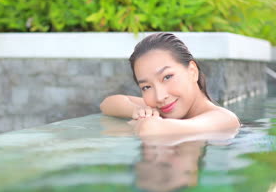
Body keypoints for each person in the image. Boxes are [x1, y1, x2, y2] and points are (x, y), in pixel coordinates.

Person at [99, 32, 240, 137]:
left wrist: (139, 123)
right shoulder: (163, 108)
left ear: (192, 71)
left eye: (167, 77)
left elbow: (149, 130)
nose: (160, 97)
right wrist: (136, 111)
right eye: (146, 87)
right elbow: (107, 104)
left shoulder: (225, 119)